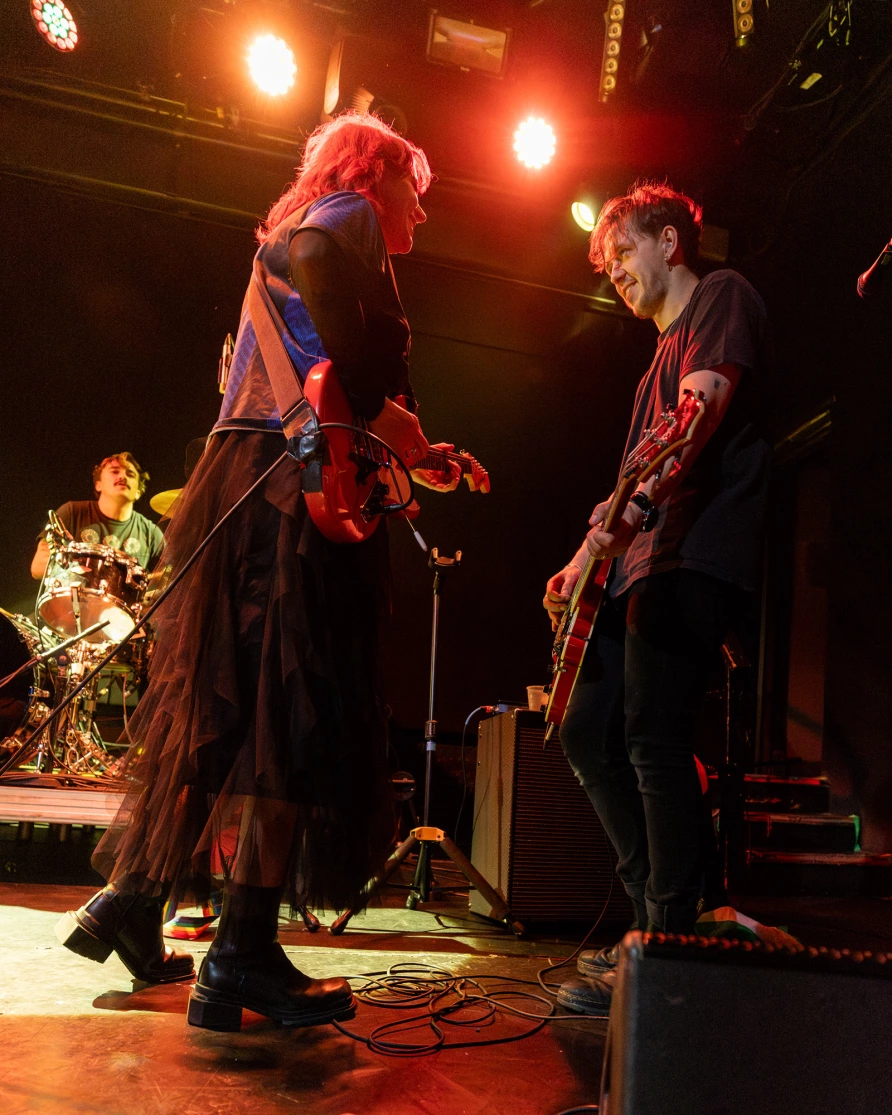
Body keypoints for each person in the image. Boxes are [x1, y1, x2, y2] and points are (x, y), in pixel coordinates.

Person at [56, 113, 468, 1032]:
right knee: (298, 703)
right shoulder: (344, 214)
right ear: (374, 172)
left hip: (243, 472)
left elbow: (311, 371)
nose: (421, 212)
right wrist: (373, 395)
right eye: (416, 188)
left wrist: (412, 444)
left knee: (230, 699)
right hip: (285, 490)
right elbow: (331, 302)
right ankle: (240, 953)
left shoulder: (293, 230)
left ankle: (138, 897)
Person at [542, 182, 770, 1015]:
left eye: (623, 254)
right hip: (640, 563)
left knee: (653, 739)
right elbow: (627, 484)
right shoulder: (648, 372)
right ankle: (659, 911)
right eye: (604, 267)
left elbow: (700, 415)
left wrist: (631, 515)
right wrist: (579, 559)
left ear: (669, 241)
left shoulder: (722, 296)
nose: (613, 275)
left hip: (694, 554)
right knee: (582, 729)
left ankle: (669, 937)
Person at [31, 452, 164, 580]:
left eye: (130, 474)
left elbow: (168, 578)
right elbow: (37, 568)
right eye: (115, 471)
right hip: (72, 601)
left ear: (138, 492)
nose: (123, 476)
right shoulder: (72, 512)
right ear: (98, 484)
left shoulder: (151, 533)